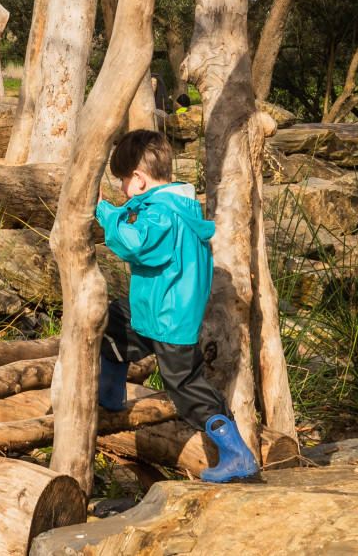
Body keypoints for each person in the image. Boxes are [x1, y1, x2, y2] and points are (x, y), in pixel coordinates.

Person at [94, 128, 260, 484]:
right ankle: (110, 396)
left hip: (169, 322)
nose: (123, 189)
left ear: (138, 179)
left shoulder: (164, 214)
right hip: (151, 314)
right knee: (112, 325)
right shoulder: (178, 205)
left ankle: (238, 456)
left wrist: (106, 213)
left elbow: (134, 244)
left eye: (124, 181)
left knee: (186, 389)